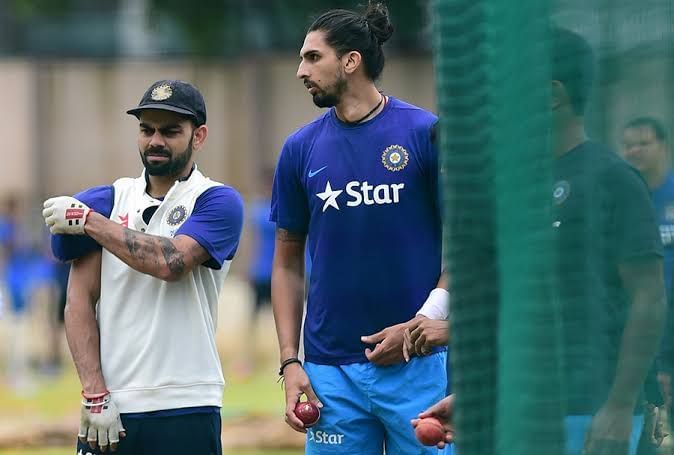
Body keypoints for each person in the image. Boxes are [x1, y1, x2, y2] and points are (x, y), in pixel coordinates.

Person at [423, 28, 666, 455]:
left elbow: (648, 298)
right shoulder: (516, 188)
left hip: (590, 412)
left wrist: (619, 406)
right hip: (517, 407)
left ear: (553, 94)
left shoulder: (612, 179)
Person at [270, 2, 448, 454]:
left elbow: (465, 249)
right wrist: (291, 361)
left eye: (313, 57)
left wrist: (425, 322)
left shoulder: (424, 134)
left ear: (351, 61)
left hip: (418, 364)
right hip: (330, 370)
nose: (300, 71)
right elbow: (287, 263)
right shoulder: (299, 149)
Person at [41, 79, 244, 454]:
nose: (155, 141)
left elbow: (172, 262)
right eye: (146, 129)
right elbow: (79, 301)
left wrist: (90, 222)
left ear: (199, 136)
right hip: (110, 405)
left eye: (170, 131)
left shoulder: (217, 201)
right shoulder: (107, 200)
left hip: (188, 400)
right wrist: (94, 393)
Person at [620, 117, 674, 453]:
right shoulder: (627, 198)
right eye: (628, 144)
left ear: (663, 145)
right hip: (646, 336)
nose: (635, 151)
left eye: (643, 142)